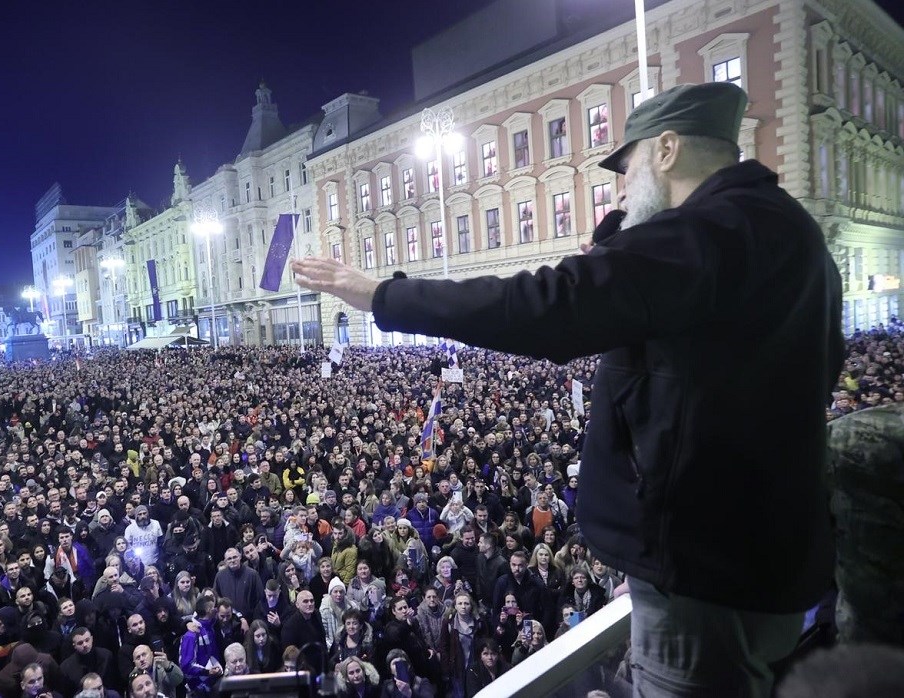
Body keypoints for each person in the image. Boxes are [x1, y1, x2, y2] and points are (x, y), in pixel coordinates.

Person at [292, 81, 843, 696]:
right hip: (763, 556)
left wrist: (382, 294)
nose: (620, 186)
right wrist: (619, 251)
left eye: (626, 167)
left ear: (665, 150)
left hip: (703, 570)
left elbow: (547, 307)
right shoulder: (793, 234)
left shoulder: (706, 233)